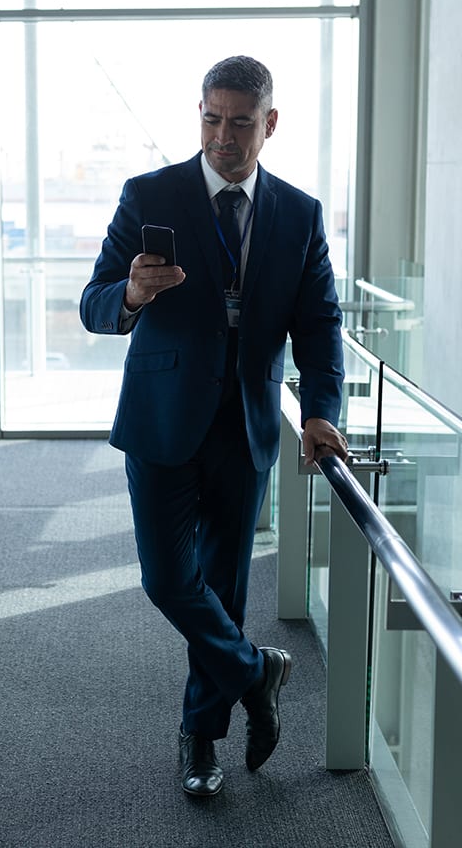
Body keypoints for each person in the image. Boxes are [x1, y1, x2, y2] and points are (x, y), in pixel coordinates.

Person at [80, 55, 348, 797]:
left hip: (249, 425)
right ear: (198, 113)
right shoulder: (150, 194)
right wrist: (131, 293)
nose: (221, 136)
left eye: (238, 122)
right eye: (210, 117)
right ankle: (256, 671)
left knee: (224, 591)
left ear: (269, 124)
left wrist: (322, 409)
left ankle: (201, 736)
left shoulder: (299, 214)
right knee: (168, 579)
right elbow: (94, 301)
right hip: (162, 419)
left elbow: (320, 325)